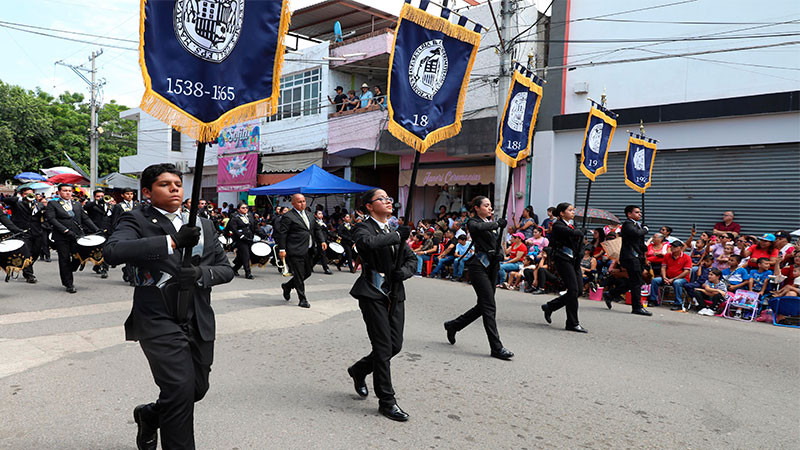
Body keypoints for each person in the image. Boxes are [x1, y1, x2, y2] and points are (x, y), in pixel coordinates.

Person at [104, 163, 234, 450]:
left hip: (198, 316)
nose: (175, 187)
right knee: (178, 390)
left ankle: (150, 415)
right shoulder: (136, 220)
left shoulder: (203, 223)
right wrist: (172, 241)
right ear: (148, 192)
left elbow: (226, 269)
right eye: (165, 184)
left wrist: (201, 275)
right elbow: (113, 252)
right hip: (158, 317)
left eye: (177, 182)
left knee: (196, 390)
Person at [346, 188, 415, 422]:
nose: (388, 202)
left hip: (395, 293)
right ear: (369, 206)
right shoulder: (363, 227)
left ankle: (359, 369)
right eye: (382, 199)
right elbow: (366, 244)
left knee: (395, 345)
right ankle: (387, 401)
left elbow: (412, 259)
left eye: (389, 199)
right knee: (383, 347)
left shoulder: (394, 230)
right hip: (372, 292)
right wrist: (397, 236)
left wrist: (402, 272)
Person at [444, 196, 514, 360]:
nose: (490, 208)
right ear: (476, 208)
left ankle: (454, 325)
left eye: (491, 205)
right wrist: (497, 224)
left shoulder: (492, 224)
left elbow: (497, 244)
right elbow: (479, 227)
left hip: (493, 267)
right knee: (489, 307)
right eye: (486, 205)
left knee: (483, 306)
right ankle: (496, 348)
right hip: (479, 267)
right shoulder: (473, 222)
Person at [541, 202, 588, 331]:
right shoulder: (557, 225)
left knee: (578, 291)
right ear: (562, 213)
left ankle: (550, 306)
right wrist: (580, 232)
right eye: (570, 210)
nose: (573, 212)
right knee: (572, 290)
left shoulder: (574, 226)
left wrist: (581, 251)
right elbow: (571, 234)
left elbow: (581, 243)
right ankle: (572, 323)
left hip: (575, 261)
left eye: (573, 210)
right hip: (563, 259)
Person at [45, 183, 99, 293]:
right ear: (59, 192)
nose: (67, 192)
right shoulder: (53, 203)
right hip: (62, 236)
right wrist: (65, 230)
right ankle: (68, 283)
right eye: (65, 190)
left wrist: (96, 229)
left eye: (69, 190)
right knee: (64, 259)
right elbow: (52, 219)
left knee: (79, 256)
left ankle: (70, 269)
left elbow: (85, 218)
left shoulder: (77, 204)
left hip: (77, 235)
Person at [277, 194, 327, 308]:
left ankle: (288, 286)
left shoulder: (310, 215)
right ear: (293, 203)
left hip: (309, 249)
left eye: (304, 201)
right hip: (295, 249)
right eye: (299, 202)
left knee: (307, 273)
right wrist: (282, 249)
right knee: (299, 275)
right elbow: (283, 234)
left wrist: (322, 241)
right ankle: (302, 299)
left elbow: (317, 229)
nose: (302, 203)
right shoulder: (288, 216)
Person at [604, 205, 652, 315]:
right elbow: (636, 234)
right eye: (636, 212)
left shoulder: (637, 225)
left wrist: (643, 249)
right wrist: (645, 229)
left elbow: (637, 241)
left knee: (637, 281)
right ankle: (637, 307)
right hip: (630, 257)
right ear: (629, 214)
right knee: (636, 282)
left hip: (637, 256)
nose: (640, 214)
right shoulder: (627, 224)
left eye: (640, 212)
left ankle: (611, 294)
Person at [2, 187, 45, 283]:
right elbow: (5, 200)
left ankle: (25, 265)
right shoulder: (17, 203)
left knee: (36, 252)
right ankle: (29, 274)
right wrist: (21, 198)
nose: (29, 196)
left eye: (31, 194)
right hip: (23, 232)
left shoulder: (38, 205)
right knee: (27, 252)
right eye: (26, 194)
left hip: (36, 232)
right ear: (22, 194)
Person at [649, 241, 692, 311]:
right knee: (655, 280)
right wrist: (664, 277)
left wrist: (674, 278)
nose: (672, 248)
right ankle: (653, 300)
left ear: (680, 248)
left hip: (681, 279)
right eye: (672, 246)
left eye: (675, 247)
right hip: (668, 277)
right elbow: (663, 267)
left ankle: (678, 304)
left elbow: (686, 271)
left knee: (677, 282)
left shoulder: (687, 257)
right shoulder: (667, 256)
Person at [225, 202, 262, 279]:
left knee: (243, 255)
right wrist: (241, 236)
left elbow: (254, 227)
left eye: (246, 208)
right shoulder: (235, 217)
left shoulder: (250, 216)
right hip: (241, 239)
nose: (245, 209)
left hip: (250, 238)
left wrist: (261, 234)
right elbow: (234, 229)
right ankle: (248, 273)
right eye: (243, 208)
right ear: (238, 209)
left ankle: (234, 269)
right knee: (246, 255)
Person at [111, 188, 140, 286]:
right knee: (129, 255)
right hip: (124, 232)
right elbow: (114, 221)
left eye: (131, 194)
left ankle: (128, 271)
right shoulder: (119, 206)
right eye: (127, 194)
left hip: (136, 232)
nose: (130, 196)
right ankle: (132, 279)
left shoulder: (137, 205)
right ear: (123, 195)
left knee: (135, 255)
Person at [85, 189, 114, 278]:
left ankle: (104, 269)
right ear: (94, 197)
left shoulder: (109, 205)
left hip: (107, 230)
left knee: (106, 250)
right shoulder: (91, 205)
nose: (101, 198)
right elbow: (86, 207)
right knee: (97, 250)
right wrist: (97, 201)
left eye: (102, 196)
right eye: (98, 196)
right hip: (96, 230)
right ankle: (97, 265)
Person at [312, 210, 333, 275]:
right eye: (319, 213)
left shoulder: (323, 222)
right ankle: (326, 268)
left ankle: (310, 266)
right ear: (315, 215)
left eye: (321, 214)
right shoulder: (315, 222)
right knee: (323, 254)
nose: (321, 215)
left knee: (319, 254)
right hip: (319, 241)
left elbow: (327, 232)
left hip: (325, 240)